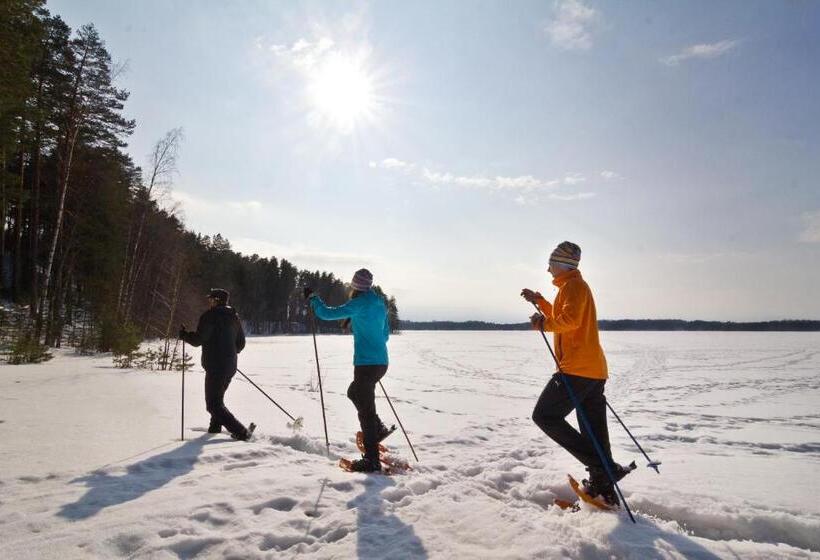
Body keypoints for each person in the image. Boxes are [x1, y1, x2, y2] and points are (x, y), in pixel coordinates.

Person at [521, 242, 630, 505]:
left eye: (551, 264)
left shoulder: (574, 287)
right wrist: (541, 303)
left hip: (577, 370)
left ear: (562, 265)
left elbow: (569, 321)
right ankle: (602, 487)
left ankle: (605, 468)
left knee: (545, 416)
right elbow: (565, 315)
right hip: (591, 370)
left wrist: (543, 323)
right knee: (593, 429)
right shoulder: (571, 288)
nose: (548, 269)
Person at [306, 269, 391, 472]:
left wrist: (314, 300)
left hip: (366, 364)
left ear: (355, 286)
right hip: (380, 362)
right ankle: (377, 430)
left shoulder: (359, 304)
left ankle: (371, 459)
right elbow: (385, 334)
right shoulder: (379, 303)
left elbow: (327, 313)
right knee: (355, 394)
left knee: (365, 411)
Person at [180, 288, 255, 441]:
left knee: (213, 405)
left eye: (211, 299)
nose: (209, 302)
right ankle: (214, 428)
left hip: (216, 367)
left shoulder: (210, 316)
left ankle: (242, 433)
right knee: (217, 400)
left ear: (217, 300)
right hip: (229, 365)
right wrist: (228, 353)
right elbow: (240, 343)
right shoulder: (234, 317)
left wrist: (184, 335)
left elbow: (198, 340)